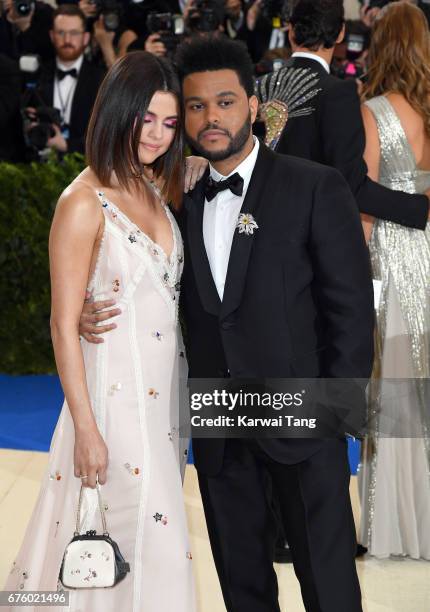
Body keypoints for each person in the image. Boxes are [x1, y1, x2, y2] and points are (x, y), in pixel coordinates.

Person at [80, 35, 375, 612]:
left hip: (301, 418)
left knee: (330, 585)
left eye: (225, 102)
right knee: (243, 588)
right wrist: (92, 309)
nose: (210, 117)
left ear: (253, 107)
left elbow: (350, 308)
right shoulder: (173, 195)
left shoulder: (313, 186)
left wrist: (337, 412)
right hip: (219, 424)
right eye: (195, 106)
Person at [4, 50, 196, 612]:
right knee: (110, 546)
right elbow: (63, 325)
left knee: (148, 540)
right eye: (147, 120)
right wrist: (86, 429)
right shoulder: (81, 202)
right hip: (111, 409)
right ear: (119, 112)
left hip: (161, 411)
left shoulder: (156, 185)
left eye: (168, 122)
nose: (159, 135)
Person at [358, 0, 430, 560]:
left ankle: (398, 527)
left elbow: (364, 202)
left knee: (393, 390)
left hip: (392, 255)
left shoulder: (373, 111)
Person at [256, 0, 430, 230]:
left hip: (256, 227)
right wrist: (420, 207)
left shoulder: (256, 87)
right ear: (340, 34)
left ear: (291, 31)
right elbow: (351, 184)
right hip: (309, 235)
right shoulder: (338, 93)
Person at [26, 4, 105, 155]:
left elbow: (106, 136)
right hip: (40, 169)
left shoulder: (101, 79)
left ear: (86, 37)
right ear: (52, 36)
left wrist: (68, 145)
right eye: (61, 32)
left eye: (74, 33)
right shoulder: (36, 75)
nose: (67, 39)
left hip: (85, 168)